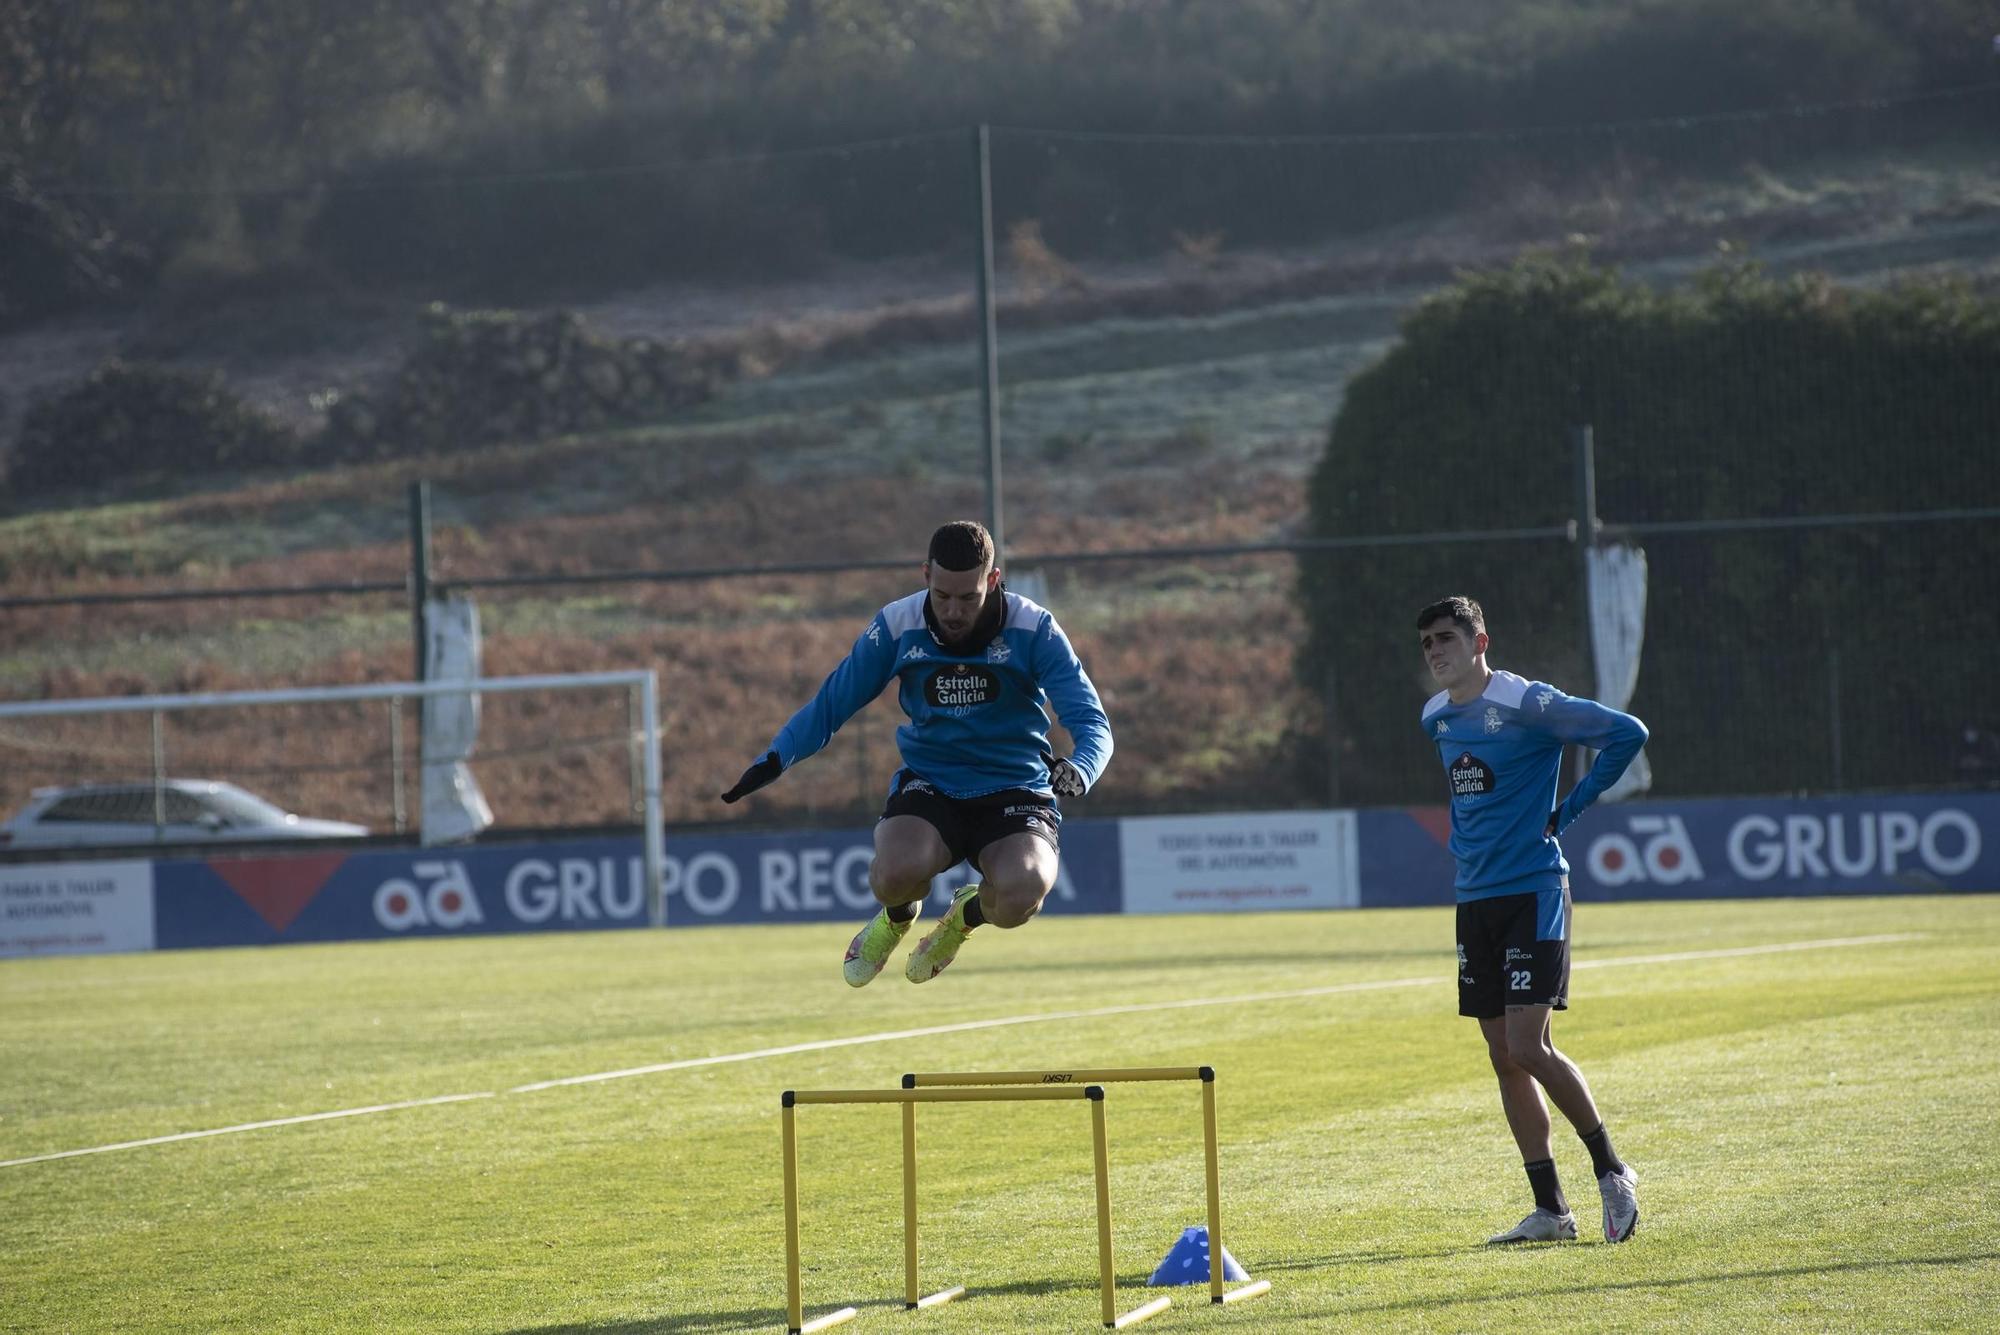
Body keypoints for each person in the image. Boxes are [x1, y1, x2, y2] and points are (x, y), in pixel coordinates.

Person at [722, 520, 1112, 985]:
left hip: (1016, 787)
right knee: (893, 875)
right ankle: (896, 917)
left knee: (1020, 895)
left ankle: (965, 917)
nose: (952, 611)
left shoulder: (1034, 628)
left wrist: (1081, 767)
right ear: (926, 574)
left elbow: (1092, 722)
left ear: (992, 580)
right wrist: (775, 758)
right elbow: (832, 704)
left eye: (968, 597)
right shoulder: (896, 625)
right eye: (942, 594)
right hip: (933, 784)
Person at [1416, 595, 1647, 1245]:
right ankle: (1552, 1211)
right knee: (1502, 1057)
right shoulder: (1435, 717)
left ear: (1480, 640)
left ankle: (1612, 1169)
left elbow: (1627, 734)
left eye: (1446, 638)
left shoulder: (1527, 703)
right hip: (1476, 899)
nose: (1435, 651)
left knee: (1527, 1044)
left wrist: (1568, 809)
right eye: (1427, 643)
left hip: (1535, 891)